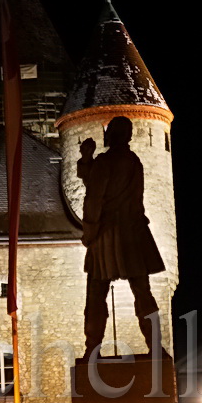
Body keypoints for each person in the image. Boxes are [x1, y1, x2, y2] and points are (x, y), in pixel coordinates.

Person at [78, 116, 165, 357]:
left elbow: (93, 198)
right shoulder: (134, 161)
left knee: (96, 295)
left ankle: (92, 350)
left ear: (111, 135)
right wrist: (87, 161)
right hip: (134, 234)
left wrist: (89, 233)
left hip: (107, 236)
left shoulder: (105, 162)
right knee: (143, 293)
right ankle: (156, 348)